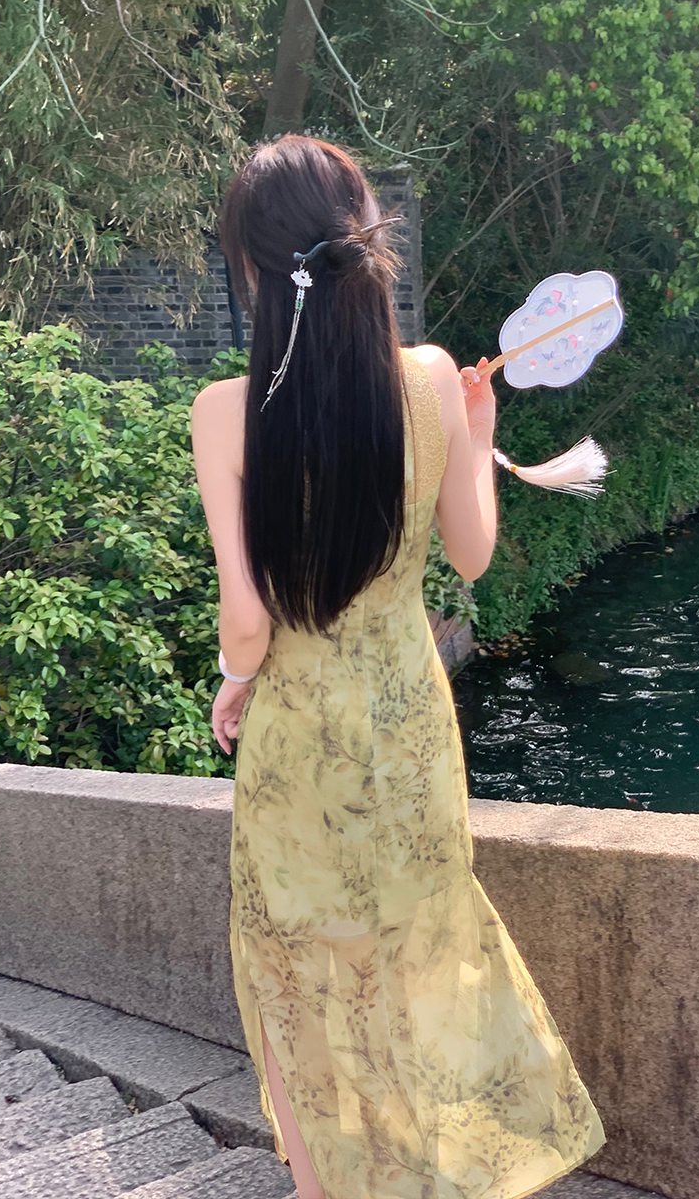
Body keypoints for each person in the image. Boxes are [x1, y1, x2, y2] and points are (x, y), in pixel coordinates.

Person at [190, 135, 604, 1199]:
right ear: (364, 244)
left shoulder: (225, 413)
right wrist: (478, 425)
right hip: (409, 721)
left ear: (255, 270)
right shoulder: (427, 379)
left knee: (295, 959)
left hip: (299, 736)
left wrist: (239, 675)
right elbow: (472, 554)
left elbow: (248, 624)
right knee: (418, 946)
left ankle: (327, 1185)